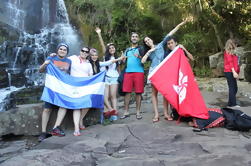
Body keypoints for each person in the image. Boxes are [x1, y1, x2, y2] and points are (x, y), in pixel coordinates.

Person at [141, 19, 190, 123]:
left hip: (164, 71)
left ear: (151, 39)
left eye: (148, 39)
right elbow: (143, 61)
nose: (148, 41)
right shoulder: (148, 51)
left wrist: (181, 23)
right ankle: (156, 114)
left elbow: (171, 33)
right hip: (154, 72)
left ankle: (166, 113)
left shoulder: (161, 45)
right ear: (145, 44)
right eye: (145, 41)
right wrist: (150, 51)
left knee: (165, 93)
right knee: (154, 93)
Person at [38, 43, 71, 141]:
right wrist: (45, 63)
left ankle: (56, 128)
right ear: (57, 50)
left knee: (64, 106)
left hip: (62, 88)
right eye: (60, 49)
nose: (62, 51)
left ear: (67, 52)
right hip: (51, 87)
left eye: (64, 49)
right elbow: (40, 70)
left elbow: (70, 74)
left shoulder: (69, 61)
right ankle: (43, 132)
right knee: (47, 109)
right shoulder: (51, 58)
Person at [88, 48, 124, 120]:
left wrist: (119, 59)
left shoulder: (99, 63)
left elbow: (110, 62)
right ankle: (111, 110)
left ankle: (109, 111)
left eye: (96, 55)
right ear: (90, 56)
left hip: (100, 84)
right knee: (104, 97)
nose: (94, 56)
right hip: (91, 86)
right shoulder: (88, 64)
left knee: (106, 96)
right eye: (92, 55)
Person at [95, 27, 121, 118]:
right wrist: (99, 34)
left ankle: (115, 114)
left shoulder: (118, 58)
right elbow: (102, 45)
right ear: (108, 50)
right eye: (110, 48)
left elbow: (118, 69)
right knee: (106, 97)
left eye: (113, 47)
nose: (111, 49)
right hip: (106, 77)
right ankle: (111, 110)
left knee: (113, 96)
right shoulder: (106, 57)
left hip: (114, 78)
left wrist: (120, 78)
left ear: (115, 49)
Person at [67, 46, 93, 136]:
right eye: (83, 51)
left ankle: (81, 119)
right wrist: (53, 56)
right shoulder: (73, 58)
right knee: (77, 106)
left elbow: (91, 76)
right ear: (80, 51)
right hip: (74, 86)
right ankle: (76, 128)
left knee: (88, 104)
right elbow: (62, 60)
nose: (84, 53)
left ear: (88, 54)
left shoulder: (89, 64)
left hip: (85, 87)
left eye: (86, 52)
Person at [120, 32, 145, 120]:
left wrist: (139, 56)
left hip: (139, 72)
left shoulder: (141, 48)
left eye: (136, 37)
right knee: (127, 92)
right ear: (131, 38)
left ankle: (138, 112)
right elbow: (123, 62)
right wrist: (122, 60)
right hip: (128, 72)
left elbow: (145, 60)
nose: (134, 38)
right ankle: (126, 111)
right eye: (133, 36)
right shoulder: (127, 50)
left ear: (138, 39)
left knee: (138, 92)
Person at [224, 39, 240, 107]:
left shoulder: (232, 52)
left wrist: (237, 72)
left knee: (234, 88)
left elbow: (236, 63)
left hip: (233, 72)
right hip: (229, 72)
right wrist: (234, 72)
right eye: (234, 44)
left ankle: (230, 103)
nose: (235, 45)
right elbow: (230, 63)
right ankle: (233, 104)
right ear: (231, 44)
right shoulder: (227, 53)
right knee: (232, 88)